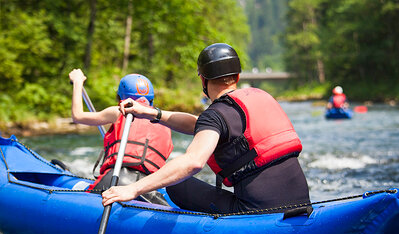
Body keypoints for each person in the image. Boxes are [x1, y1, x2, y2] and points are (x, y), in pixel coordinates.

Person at [102, 43, 310, 214]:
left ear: (203, 79)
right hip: (300, 203)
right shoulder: (258, 98)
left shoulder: (216, 115)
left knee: (177, 185)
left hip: (257, 212)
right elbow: (200, 125)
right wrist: (152, 113)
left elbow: (193, 162)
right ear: (237, 77)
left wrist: (133, 189)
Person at [69, 69, 173, 205]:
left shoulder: (119, 111)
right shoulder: (166, 120)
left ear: (121, 98)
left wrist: (77, 82)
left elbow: (77, 116)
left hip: (114, 180)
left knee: (79, 189)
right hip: (148, 188)